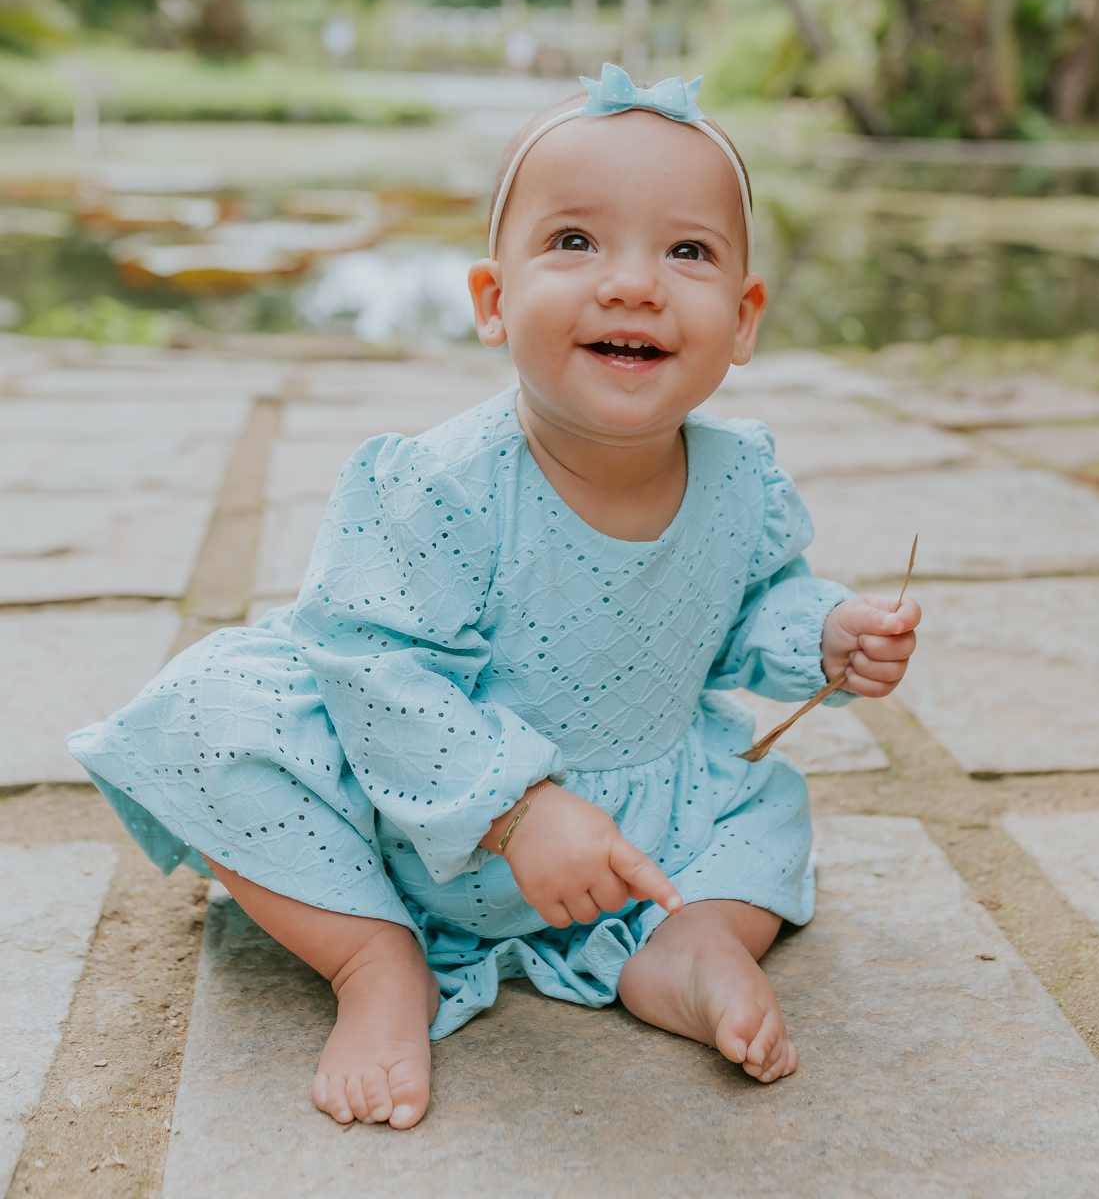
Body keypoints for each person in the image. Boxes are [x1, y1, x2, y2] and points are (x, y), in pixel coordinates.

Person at [70, 65, 920, 1132]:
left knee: (767, 812)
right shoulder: (438, 485)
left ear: (744, 321)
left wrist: (828, 636)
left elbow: (753, 611)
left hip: (638, 835)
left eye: (687, 251)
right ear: (491, 300)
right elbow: (369, 666)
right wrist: (514, 807)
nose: (634, 284)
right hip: (417, 818)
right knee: (206, 715)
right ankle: (374, 960)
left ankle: (689, 942)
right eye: (576, 242)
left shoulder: (742, 481)